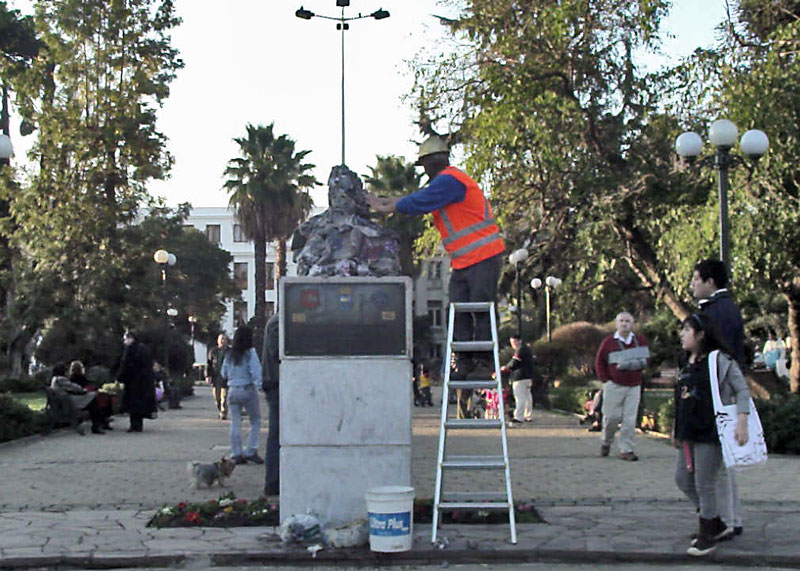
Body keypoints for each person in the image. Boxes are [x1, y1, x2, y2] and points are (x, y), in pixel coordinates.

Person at [366, 135, 505, 380]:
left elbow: (421, 201)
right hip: (464, 261)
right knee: (458, 308)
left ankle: (484, 362)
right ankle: (463, 362)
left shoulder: (450, 181)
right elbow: (416, 198)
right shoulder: (444, 183)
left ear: (435, 161)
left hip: (483, 256)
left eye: (426, 166)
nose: (426, 172)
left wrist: (387, 207)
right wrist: (386, 202)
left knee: (480, 307)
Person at [673, 312, 750, 557]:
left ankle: (708, 533)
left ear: (701, 334)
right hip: (688, 432)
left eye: (687, 330)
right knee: (683, 480)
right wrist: (676, 431)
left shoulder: (720, 360)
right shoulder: (685, 360)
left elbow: (741, 390)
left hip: (711, 430)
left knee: (704, 483)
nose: (682, 335)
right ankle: (714, 520)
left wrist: (742, 422)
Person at [690, 259, 745, 536]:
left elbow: (718, 356)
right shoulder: (726, 307)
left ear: (710, 282)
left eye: (696, 279)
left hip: (718, 393)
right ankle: (730, 518)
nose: (692, 285)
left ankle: (724, 519)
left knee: (718, 466)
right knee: (723, 464)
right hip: (725, 391)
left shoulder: (717, 311)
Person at [594, 312, 649, 461]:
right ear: (616, 324)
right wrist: (605, 380)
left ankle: (627, 449)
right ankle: (606, 442)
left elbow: (645, 360)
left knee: (629, 420)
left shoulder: (640, 341)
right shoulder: (609, 342)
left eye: (627, 321)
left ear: (632, 324)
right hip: (614, 385)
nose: (624, 324)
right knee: (611, 417)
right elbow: (600, 362)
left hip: (634, 386)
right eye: (621, 321)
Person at [223, 325, 263, 466]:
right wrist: (260, 386)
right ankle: (251, 450)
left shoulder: (229, 354)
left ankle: (236, 453)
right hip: (247, 389)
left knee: (235, 422)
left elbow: (223, 373)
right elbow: (256, 371)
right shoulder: (250, 353)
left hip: (232, 389)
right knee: (255, 420)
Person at [117, 330, 157, 433]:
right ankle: (138, 425)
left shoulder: (130, 349)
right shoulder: (144, 349)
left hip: (132, 381)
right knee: (139, 404)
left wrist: (120, 377)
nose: (124, 341)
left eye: (126, 338)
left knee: (132, 404)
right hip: (143, 382)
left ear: (131, 338)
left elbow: (125, 364)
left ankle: (134, 425)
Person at [51, 363, 105, 435]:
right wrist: (83, 390)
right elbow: (74, 387)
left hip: (65, 400)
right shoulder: (61, 379)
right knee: (93, 399)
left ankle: (99, 422)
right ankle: (97, 424)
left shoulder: (55, 379)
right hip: (69, 401)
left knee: (91, 399)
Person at [262, 313, 280, 495]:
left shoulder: (277, 321)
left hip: (276, 382)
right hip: (276, 383)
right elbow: (279, 353)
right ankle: (273, 482)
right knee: (276, 434)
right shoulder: (278, 323)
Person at [501, 335, 535, 425]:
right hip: (528, 376)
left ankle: (519, 417)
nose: (513, 344)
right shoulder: (527, 349)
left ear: (519, 341)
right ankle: (528, 415)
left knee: (519, 397)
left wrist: (505, 367)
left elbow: (514, 362)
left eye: (514, 342)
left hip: (520, 377)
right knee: (527, 396)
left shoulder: (520, 350)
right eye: (512, 342)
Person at [69, 360, 113, 430]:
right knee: (100, 400)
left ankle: (101, 421)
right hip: (81, 399)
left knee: (98, 400)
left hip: (78, 398)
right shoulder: (81, 378)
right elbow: (83, 388)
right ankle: (103, 420)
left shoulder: (70, 379)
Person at [207, 333, 229, 420]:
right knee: (217, 397)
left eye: (224, 339)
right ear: (217, 341)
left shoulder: (230, 352)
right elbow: (209, 364)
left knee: (224, 396)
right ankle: (220, 409)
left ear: (226, 341)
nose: (222, 341)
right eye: (221, 339)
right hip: (216, 377)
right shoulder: (213, 351)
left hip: (226, 377)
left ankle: (224, 412)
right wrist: (208, 375)